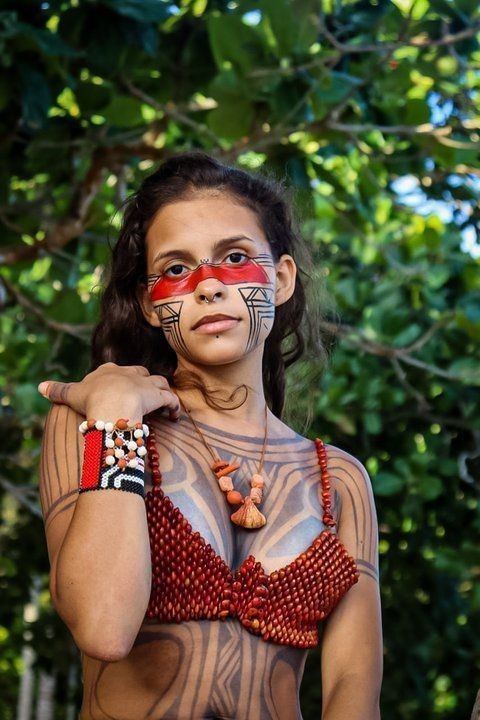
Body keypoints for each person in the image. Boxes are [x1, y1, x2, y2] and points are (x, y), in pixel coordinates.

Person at [38, 150, 383, 720]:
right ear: (152, 306)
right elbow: (103, 626)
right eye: (176, 269)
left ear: (280, 279)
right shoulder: (92, 423)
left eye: (235, 258)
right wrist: (119, 422)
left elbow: (352, 687)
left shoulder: (339, 480)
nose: (207, 286)